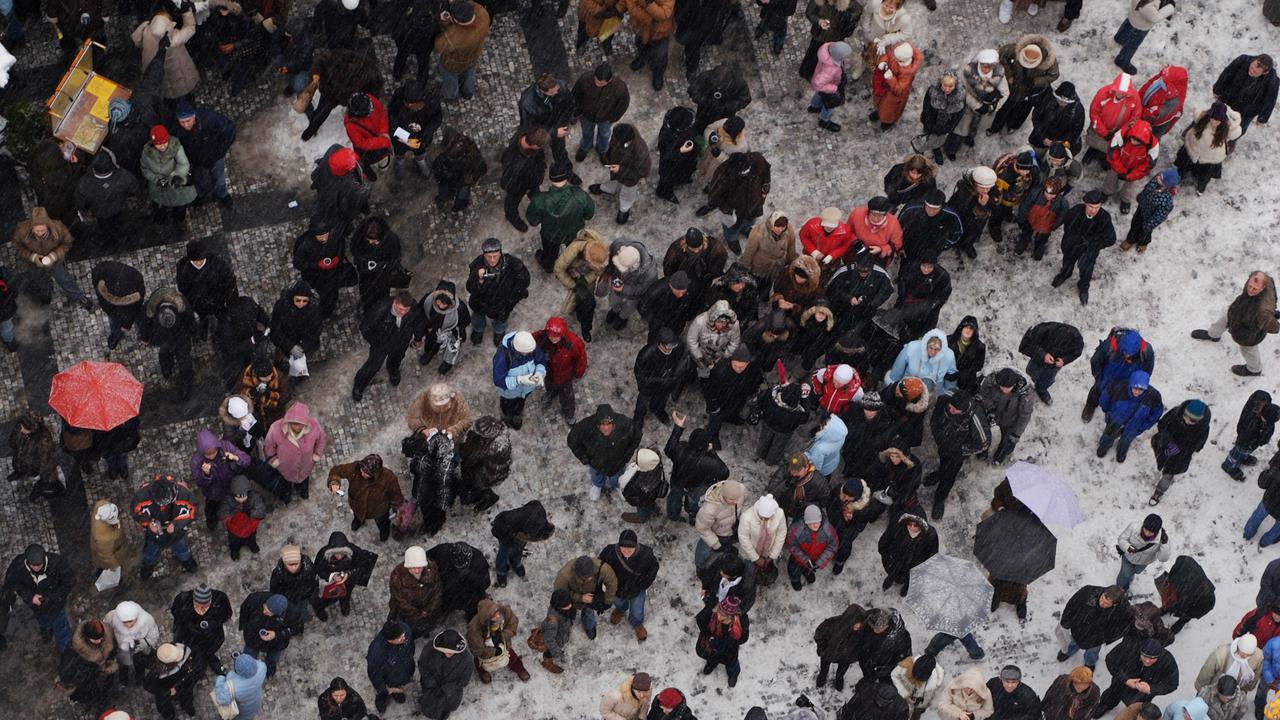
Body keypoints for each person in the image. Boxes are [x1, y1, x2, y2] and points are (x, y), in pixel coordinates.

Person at [1191, 271, 1279, 377]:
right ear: (1250, 278)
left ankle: (1254, 370)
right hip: (1237, 312)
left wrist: (1266, 317)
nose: (1250, 290)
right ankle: (1213, 335)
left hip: (1248, 333)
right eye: (1250, 286)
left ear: (1263, 287)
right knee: (1223, 320)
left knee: (1249, 351)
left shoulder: (1262, 311)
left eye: (1255, 289)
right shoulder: (1263, 280)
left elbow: (1274, 328)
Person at [925, 390, 991, 518]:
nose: (951, 411)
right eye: (950, 407)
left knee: (949, 475)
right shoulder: (945, 398)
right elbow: (936, 417)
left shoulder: (976, 418)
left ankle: (940, 498)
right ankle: (939, 473)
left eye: (955, 410)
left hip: (957, 453)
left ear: (964, 410)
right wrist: (938, 434)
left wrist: (960, 450)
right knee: (944, 462)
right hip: (943, 443)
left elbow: (984, 444)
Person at [3, 544, 73, 652]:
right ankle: (46, 629)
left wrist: (53, 598)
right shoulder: (18, 565)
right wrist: (30, 596)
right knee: (42, 619)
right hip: (36, 606)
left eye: (39, 565)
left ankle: (66, 651)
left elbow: (70, 581)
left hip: (56, 605)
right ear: (27, 561)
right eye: (33, 565)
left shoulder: (57, 563)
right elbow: (13, 583)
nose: (36, 568)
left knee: (62, 628)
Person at [352, 290, 418, 402]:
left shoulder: (413, 307)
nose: (403, 313)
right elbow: (365, 328)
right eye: (400, 309)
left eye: (406, 310)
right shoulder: (381, 309)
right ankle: (359, 384)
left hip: (401, 341)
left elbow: (416, 321)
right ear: (395, 302)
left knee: (397, 359)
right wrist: (376, 341)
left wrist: (414, 336)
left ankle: (393, 369)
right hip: (381, 344)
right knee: (372, 366)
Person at [466, 238, 531, 347]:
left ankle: (499, 332)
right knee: (478, 316)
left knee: (501, 320)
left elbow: (524, 280)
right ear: (484, 255)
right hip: (481, 302)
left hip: (502, 303)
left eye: (495, 256)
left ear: (500, 252)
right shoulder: (477, 265)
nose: (492, 260)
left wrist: (512, 298)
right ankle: (478, 329)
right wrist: (479, 280)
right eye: (489, 257)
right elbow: (470, 288)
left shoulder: (513, 264)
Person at [1082, 328, 1156, 423]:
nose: (1127, 355)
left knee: (1117, 399)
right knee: (1096, 392)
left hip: (1126, 383)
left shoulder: (1146, 351)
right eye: (1125, 352)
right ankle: (1090, 406)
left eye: (1130, 354)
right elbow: (1095, 360)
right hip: (1107, 378)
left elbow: (1147, 370)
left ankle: (1109, 412)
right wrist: (1099, 377)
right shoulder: (1110, 345)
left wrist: (1138, 383)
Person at [946, 48, 1008, 158]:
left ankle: (969, 138)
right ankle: (951, 149)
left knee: (976, 126)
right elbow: (961, 90)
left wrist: (994, 107)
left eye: (991, 66)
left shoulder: (998, 74)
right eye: (984, 65)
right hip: (967, 107)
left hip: (985, 110)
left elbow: (1005, 92)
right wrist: (978, 106)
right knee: (960, 129)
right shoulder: (968, 72)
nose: (987, 69)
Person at [599, 529, 659, 642]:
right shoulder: (609, 552)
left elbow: (654, 568)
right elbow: (600, 566)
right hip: (617, 588)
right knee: (618, 602)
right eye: (623, 547)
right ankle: (620, 609)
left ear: (636, 545)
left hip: (636, 589)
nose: (626, 551)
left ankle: (637, 623)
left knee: (637, 609)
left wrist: (644, 584)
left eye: (630, 548)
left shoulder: (646, 554)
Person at [1093, 639, 1179, 717]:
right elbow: (1110, 659)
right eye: (1144, 656)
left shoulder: (1167, 660)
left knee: (1135, 711)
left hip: (1142, 694)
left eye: (1152, 658)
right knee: (1111, 696)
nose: (1147, 661)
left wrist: (1151, 689)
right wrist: (1125, 679)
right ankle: (1105, 705)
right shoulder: (1130, 645)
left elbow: (1172, 684)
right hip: (1120, 683)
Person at [1149, 400, 1211, 505]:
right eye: (1185, 417)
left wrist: (1181, 448)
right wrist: (1168, 441)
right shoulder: (1175, 413)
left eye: (1192, 420)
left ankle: (1159, 491)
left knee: (1168, 474)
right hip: (1165, 446)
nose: (1187, 421)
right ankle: (1160, 463)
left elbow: (1197, 446)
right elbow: (1162, 424)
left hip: (1179, 456)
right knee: (1161, 458)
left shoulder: (1202, 429)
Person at [263, 402, 327, 503]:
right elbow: (269, 446)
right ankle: (287, 494)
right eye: (294, 424)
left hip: (305, 466)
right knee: (285, 483)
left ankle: (302, 491)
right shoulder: (275, 428)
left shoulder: (314, 426)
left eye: (301, 424)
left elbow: (322, 439)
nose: (297, 427)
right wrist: (274, 460)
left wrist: (317, 454)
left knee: (303, 481)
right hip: (284, 468)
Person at [1057, 584, 1131, 669]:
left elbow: (1121, 629)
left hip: (1096, 639)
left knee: (1092, 653)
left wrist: (1104, 638)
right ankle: (1069, 651)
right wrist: (1065, 622)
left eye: (1106, 604)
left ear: (1115, 604)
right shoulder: (1088, 592)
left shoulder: (1122, 610)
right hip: (1078, 629)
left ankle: (1089, 663)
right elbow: (1072, 605)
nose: (1101, 603)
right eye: (1102, 598)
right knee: (1073, 641)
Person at [1096, 371, 1164, 464]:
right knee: (1108, 436)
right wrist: (1108, 412)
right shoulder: (1119, 387)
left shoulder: (1153, 396)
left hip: (1133, 427)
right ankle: (1103, 447)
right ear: (1130, 384)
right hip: (1114, 422)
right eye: (1135, 388)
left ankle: (1121, 452)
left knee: (1126, 441)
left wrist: (1144, 426)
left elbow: (1156, 413)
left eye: (1141, 389)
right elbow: (1105, 398)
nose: (1137, 392)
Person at [1175, 102, 1243, 194]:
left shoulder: (1227, 128)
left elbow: (1235, 133)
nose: (1214, 122)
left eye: (1218, 120)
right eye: (1213, 118)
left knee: (1204, 176)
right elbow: (1196, 116)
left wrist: (1232, 125)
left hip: (1211, 157)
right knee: (1183, 167)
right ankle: (1178, 178)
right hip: (1194, 149)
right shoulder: (1203, 118)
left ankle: (1200, 189)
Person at [590, 123, 651, 224]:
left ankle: (624, 209)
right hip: (617, 170)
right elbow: (612, 145)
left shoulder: (640, 152)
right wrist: (608, 157)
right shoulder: (620, 132)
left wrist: (620, 170)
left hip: (630, 179)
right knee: (614, 182)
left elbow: (643, 172)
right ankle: (610, 188)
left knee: (628, 194)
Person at [312, 531, 378, 620]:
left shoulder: (354, 551)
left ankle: (344, 603)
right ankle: (321, 608)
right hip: (329, 583)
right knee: (325, 597)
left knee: (346, 594)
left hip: (348, 581)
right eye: (336, 553)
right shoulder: (323, 555)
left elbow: (362, 565)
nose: (339, 556)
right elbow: (318, 570)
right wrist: (332, 576)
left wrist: (349, 573)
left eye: (342, 553)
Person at [170, 583, 232, 676]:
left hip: (211, 634)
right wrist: (189, 624)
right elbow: (175, 613)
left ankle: (209, 658)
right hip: (189, 634)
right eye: (197, 606)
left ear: (210, 600)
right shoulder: (182, 599)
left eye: (205, 606)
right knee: (191, 653)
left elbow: (227, 614)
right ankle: (195, 666)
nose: (201, 610)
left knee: (209, 649)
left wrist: (213, 623)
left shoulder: (220, 599)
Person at [534, 316, 589, 420]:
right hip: (549, 370)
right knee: (549, 384)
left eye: (556, 335)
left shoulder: (573, 343)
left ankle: (569, 413)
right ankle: (550, 393)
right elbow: (529, 340)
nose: (552, 338)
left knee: (566, 395)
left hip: (564, 375)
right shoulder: (542, 336)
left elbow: (581, 358)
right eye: (550, 335)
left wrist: (579, 372)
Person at [554, 554, 618, 641]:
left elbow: (612, 583)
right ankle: (566, 626)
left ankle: (589, 625)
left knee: (589, 611)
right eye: (588, 577)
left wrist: (607, 602)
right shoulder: (564, 575)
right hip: (571, 597)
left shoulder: (602, 568)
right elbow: (559, 594)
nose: (591, 577)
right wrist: (580, 597)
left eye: (592, 575)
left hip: (591, 595)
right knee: (566, 612)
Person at [434, 0, 489, 101]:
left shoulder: (454, 38)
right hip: (473, 55)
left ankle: (451, 96)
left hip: (454, 63)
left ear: (457, 21)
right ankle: (468, 92)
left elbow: (438, 46)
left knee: (451, 77)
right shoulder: (483, 15)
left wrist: (445, 23)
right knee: (469, 72)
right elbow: (473, 4)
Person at [493, 329, 547, 430]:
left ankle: (517, 415)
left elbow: (540, 359)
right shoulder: (503, 357)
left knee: (521, 402)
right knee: (507, 405)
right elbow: (498, 380)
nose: (531, 353)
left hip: (526, 390)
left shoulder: (530, 346)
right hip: (509, 393)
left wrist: (540, 372)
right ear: (518, 349)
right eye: (526, 352)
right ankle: (507, 417)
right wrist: (519, 380)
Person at [977, 368, 1034, 463]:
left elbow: (1025, 416)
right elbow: (984, 395)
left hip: (1010, 421)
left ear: (1014, 384)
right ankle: (982, 452)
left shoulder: (1025, 394)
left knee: (1007, 443)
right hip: (993, 415)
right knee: (983, 435)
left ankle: (999, 457)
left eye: (1007, 388)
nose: (1004, 390)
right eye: (1002, 387)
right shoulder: (991, 381)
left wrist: (1016, 434)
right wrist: (990, 408)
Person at [239, 593, 302, 677]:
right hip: (253, 637)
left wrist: (276, 634)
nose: (264, 612)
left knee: (272, 658)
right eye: (264, 607)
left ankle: (269, 670)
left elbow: (295, 629)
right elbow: (244, 611)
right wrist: (244, 626)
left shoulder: (293, 613)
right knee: (249, 654)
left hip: (275, 643)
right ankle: (247, 670)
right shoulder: (255, 599)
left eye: (268, 612)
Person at [467, 597, 529, 683]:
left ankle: (519, 668)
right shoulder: (474, 629)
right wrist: (494, 651)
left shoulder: (504, 611)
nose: (498, 616)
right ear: (487, 620)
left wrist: (502, 636)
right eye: (494, 616)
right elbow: (477, 650)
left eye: (498, 613)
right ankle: (483, 672)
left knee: (511, 656)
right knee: (479, 662)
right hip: (486, 649)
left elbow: (513, 623)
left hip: (503, 643)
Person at [1212, 54, 1278, 133]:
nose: (1251, 71)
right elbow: (1227, 74)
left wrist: (1263, 118)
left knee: (1236, 131)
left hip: (1248, 110)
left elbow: (1270, 100)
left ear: (1265, 73)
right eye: (1251, 67)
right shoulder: (1243, 60)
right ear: (1254, 60)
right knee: (1213, 120)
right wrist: (1217, 90)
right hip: (1228, 97)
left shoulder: (1272, 80)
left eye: (1255, 72)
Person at [695, 595, 749, 687]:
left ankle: (733, 674)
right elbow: (701, 620)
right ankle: (712, 663)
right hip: (711, 646)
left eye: (724, 616)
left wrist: (725, 642)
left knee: (732, 664)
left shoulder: (739, 622)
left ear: (731, 617)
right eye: (719, 612)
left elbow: (742, 638)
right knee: (712, 656)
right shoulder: (712, 612)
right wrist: (708, 634)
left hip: (728, 650)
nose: (719, 617)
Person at [418, 629, 473, 717]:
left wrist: (446, 689)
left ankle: (445, 710)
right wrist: (429, 680)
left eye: (451, 652)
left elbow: (463, 681)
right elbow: (422, 664)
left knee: (448, 704)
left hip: (451, 689)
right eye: (445, 651)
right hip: (431, 684)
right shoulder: (430, 648)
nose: (448, 653)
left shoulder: (467, 660)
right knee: (427, 706)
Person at [105, 600, 160, 687]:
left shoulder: (147, 620)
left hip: (138, 649)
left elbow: (154, 637)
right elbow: (106, 631)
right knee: (123, 664)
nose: (128, 625)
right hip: (122, 647)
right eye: (124, 622)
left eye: (130, 621)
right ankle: (123, 680)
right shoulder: (111, 617)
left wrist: (144, 644)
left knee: (139, 665)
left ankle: (139, 680)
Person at [785, 504, 839, 591]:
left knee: (809, 567)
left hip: (815, 558)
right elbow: (791, 544)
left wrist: (821, 561)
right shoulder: (797, 530)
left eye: (818, 521)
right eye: (811, 523)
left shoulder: (828, 530)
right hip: (798, 558)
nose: (815, 525)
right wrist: (804, 559)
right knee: (793, 570)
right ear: (806, 521)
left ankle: (807, 571)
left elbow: (833, 545)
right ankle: (795, 579)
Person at [1122, 168, 1178, 251]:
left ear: (1166, 185)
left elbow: (1160, 216)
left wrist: (1149, 224)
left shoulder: (1167, 201)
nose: (1158, 177)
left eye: (1161, 178)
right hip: (1141, 208)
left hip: (1149, 218)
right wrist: (1141, 197)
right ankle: (1130, 240)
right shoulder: (1156, 181)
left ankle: (1143, 243)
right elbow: (1147, 188)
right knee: (1134, 225)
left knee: (1145, 232)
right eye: (1160, 175)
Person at [432, 127, 487, 212]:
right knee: (444, 194)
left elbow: (482, 168)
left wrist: (472, 178)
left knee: (461, 199)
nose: (457, 146)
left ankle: (457, 208)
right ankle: (446, 201)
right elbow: (438, 171)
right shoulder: (443, 158)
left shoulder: (471, 153)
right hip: (448, 181)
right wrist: (448, 175)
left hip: (463, 183)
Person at [872, 42, 923, 131]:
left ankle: (887, 122)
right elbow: (888, 55)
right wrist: (883, 62)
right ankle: (879, 112)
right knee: (880, 101)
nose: (893, 58)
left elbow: (898, 89)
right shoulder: (899, 52)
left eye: (896, 58)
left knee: (889, 110)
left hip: (894, 96)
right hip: (885, 86)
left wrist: (891, 78)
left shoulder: (907, 74)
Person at [366, 621, 415, 711]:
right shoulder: (376, 653)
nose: (404, 638)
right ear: (390, 640)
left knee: (402, 681)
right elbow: (375, 675)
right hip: (391, 678)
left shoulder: (405, 629)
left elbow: (411, 648)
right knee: (384, 690)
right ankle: (382, 698)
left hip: (405, 669)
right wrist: (382, 689)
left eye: (403, 635)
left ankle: (397, 689)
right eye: (400, 638)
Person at [143, 643, 199, 720]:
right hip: (167, 687)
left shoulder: (175, 649)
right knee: (164, 704)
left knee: (187, 695)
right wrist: (168, 692)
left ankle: (187, 706)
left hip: (183, 682)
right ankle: (169, 716)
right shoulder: (157, 671)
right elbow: (147, 685)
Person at [808, 41, 853, 132]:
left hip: (825, 83)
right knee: (830, 104)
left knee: (820, 94)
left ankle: (814, 107)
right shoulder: (831, 69)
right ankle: (824, 121)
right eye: (846, 56)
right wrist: (834, 89)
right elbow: (818, 84)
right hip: (830, 86)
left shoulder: (827, 52)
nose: (848, 58)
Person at [219, 475, 267, 560]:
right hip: (234, 530)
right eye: (237, 497)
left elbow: (262, 512)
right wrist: (233, 512)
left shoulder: (255, 498)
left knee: (251, 539)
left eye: (243, 496)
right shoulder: (228, 500)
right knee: (234, 543)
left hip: (250, 529)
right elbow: (222, 513)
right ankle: (235, 550)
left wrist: (250, 512)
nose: (241, 499)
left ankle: (252, 545)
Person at [213, 652, 267, 720]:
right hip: (256, 704)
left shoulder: (231, 686)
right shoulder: (262, 667)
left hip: (243, 712)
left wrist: (220, 678)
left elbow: (220, 699)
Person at [535, 589, 576, 674]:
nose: (570, 605)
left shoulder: (564, 610)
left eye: (569, 602)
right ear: (559, 606)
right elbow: (549, 640)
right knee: (549, 652)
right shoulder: (552, 621)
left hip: (561, 632)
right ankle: (547, 663)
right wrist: (557, 652)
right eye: (566, 605)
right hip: (557, 640)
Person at [894, 653, 945, 720]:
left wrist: (930, 705)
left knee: (915, 716)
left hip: (921, 706)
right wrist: (904, 693)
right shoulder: (907, 664)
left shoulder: (938, 681)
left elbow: (938, 696)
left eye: (919, 680)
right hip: (904, 697)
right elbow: (895, 676)